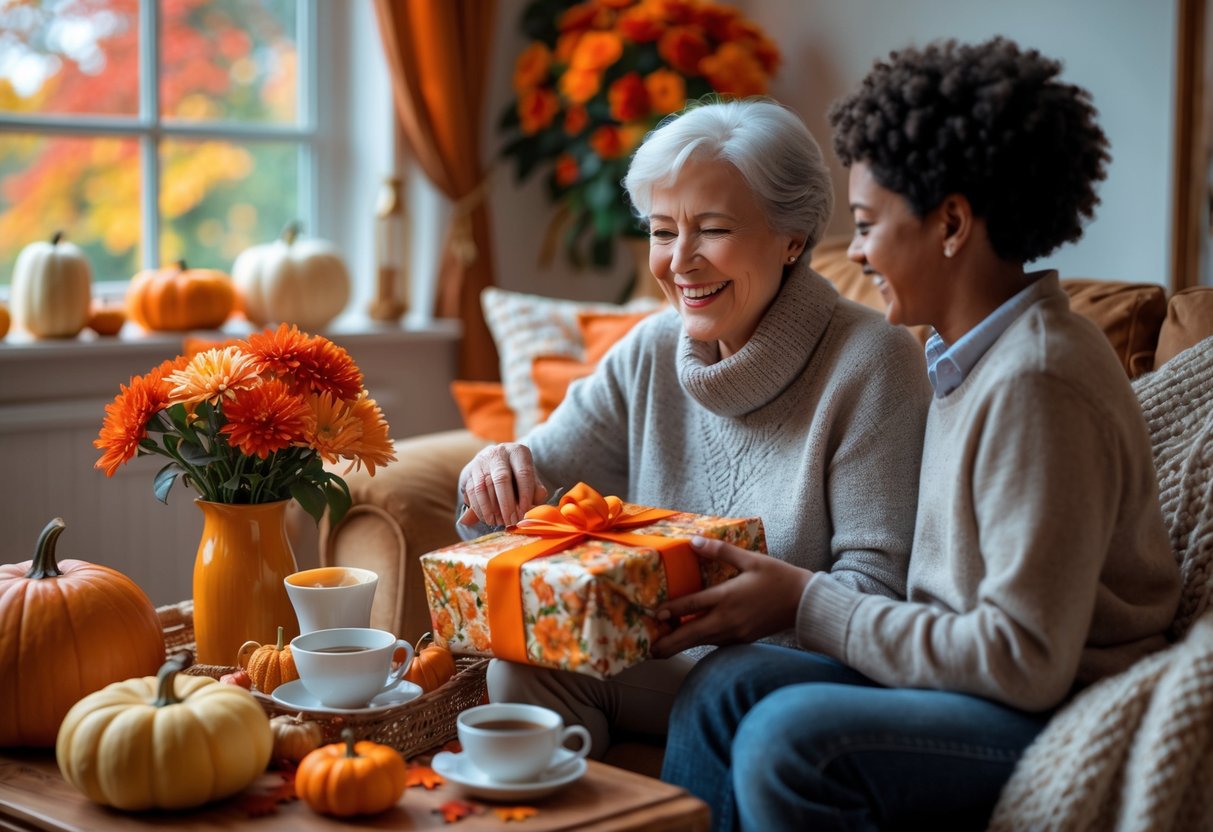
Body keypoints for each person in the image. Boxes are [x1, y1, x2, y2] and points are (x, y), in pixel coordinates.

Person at [656, 38, 1183, 831]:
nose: (855, 251)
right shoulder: (961, 358)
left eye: (866, 224)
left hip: (1055, 701)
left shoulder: (1036, 382)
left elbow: (1024, 662)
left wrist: (804, 600)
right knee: (724, 684)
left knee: (785, 741)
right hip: (965, 681)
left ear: (951, 224)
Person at [457, 98, 932, 758]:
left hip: (798, 674)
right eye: (660, 231)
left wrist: (770, 607)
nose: (680, 261)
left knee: (725, 679)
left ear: (790, 237)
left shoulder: (872, 360)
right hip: (673, 656)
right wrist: (493, 472)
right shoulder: (649, 349)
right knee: (521, 664)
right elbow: (526, 490)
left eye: (711, 229)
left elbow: (878, 592)